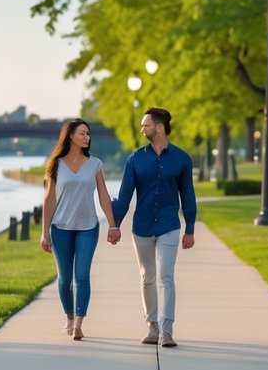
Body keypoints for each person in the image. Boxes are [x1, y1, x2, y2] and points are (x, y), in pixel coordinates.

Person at [112, 107, 197, 348]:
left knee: (165, 276)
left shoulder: (182, 159)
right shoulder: (135, 159)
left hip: (169, 225)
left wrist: (189, 228)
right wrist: (114, 225)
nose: (142, 129)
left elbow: (188, 196)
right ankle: (152, 326)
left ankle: (167, 330)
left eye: (145, 125)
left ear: (159, 128)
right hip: (142, 227)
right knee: (147, 278)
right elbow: (124, 196)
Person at [39, 118, 121, 341]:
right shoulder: (55, 164)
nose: (87, 137)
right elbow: (49, 200)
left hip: (88, 227)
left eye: (88, 134)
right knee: (65, 279)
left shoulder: (95, 164)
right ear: (71, 136)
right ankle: (69, 316)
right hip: (61, 228)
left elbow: (103, 195)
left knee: (82, 276)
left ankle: (78, 323)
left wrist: (113, 225)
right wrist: (44, 233)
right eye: (83, 133)